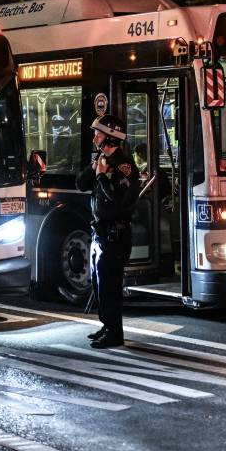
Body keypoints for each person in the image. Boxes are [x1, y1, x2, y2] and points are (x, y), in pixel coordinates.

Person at [77, 114, 140, 349]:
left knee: (110, 285)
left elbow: (119, 201)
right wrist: (94, 167)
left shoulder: (125, 168)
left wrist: (102, 176)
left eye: (98, 134)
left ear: (110, 138)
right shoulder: (102, 161)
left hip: (116, 233)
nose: (94, 137)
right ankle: (106, 324)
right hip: (100, 232)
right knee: (98, 283)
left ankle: (115, 333)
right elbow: (81, 184)